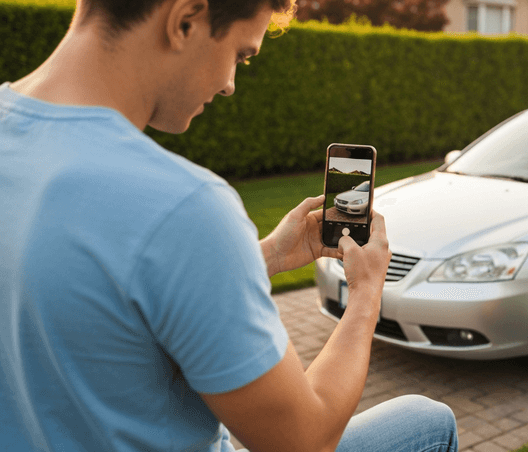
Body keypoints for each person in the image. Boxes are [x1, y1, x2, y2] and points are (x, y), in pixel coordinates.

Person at [0, 0, 458, 451]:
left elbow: (108, 291)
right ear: (185, 19)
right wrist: (366, 292)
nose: (229, 85)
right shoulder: (184, 207)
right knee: (429, 423)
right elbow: (306, 440)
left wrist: (266, 257)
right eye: (240, 55)